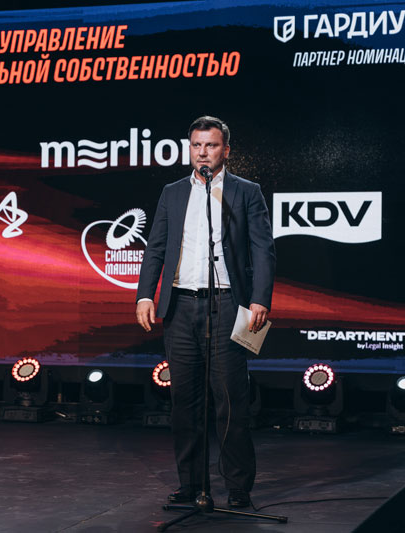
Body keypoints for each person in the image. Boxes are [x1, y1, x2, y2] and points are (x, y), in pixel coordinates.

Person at [135, 116, 276, 508]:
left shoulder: (246, 191)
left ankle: (238, 488)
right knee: (185, 402)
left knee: (231, 401)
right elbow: (156, 247)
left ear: (225, 150)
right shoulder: (172, 192)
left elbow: (263, 248)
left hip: (228, 304)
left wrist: (260, 298)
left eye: (211, 146)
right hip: (180, 306)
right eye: (196, 146)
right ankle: (192, 486)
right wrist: (145, 295)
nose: (203, 153)